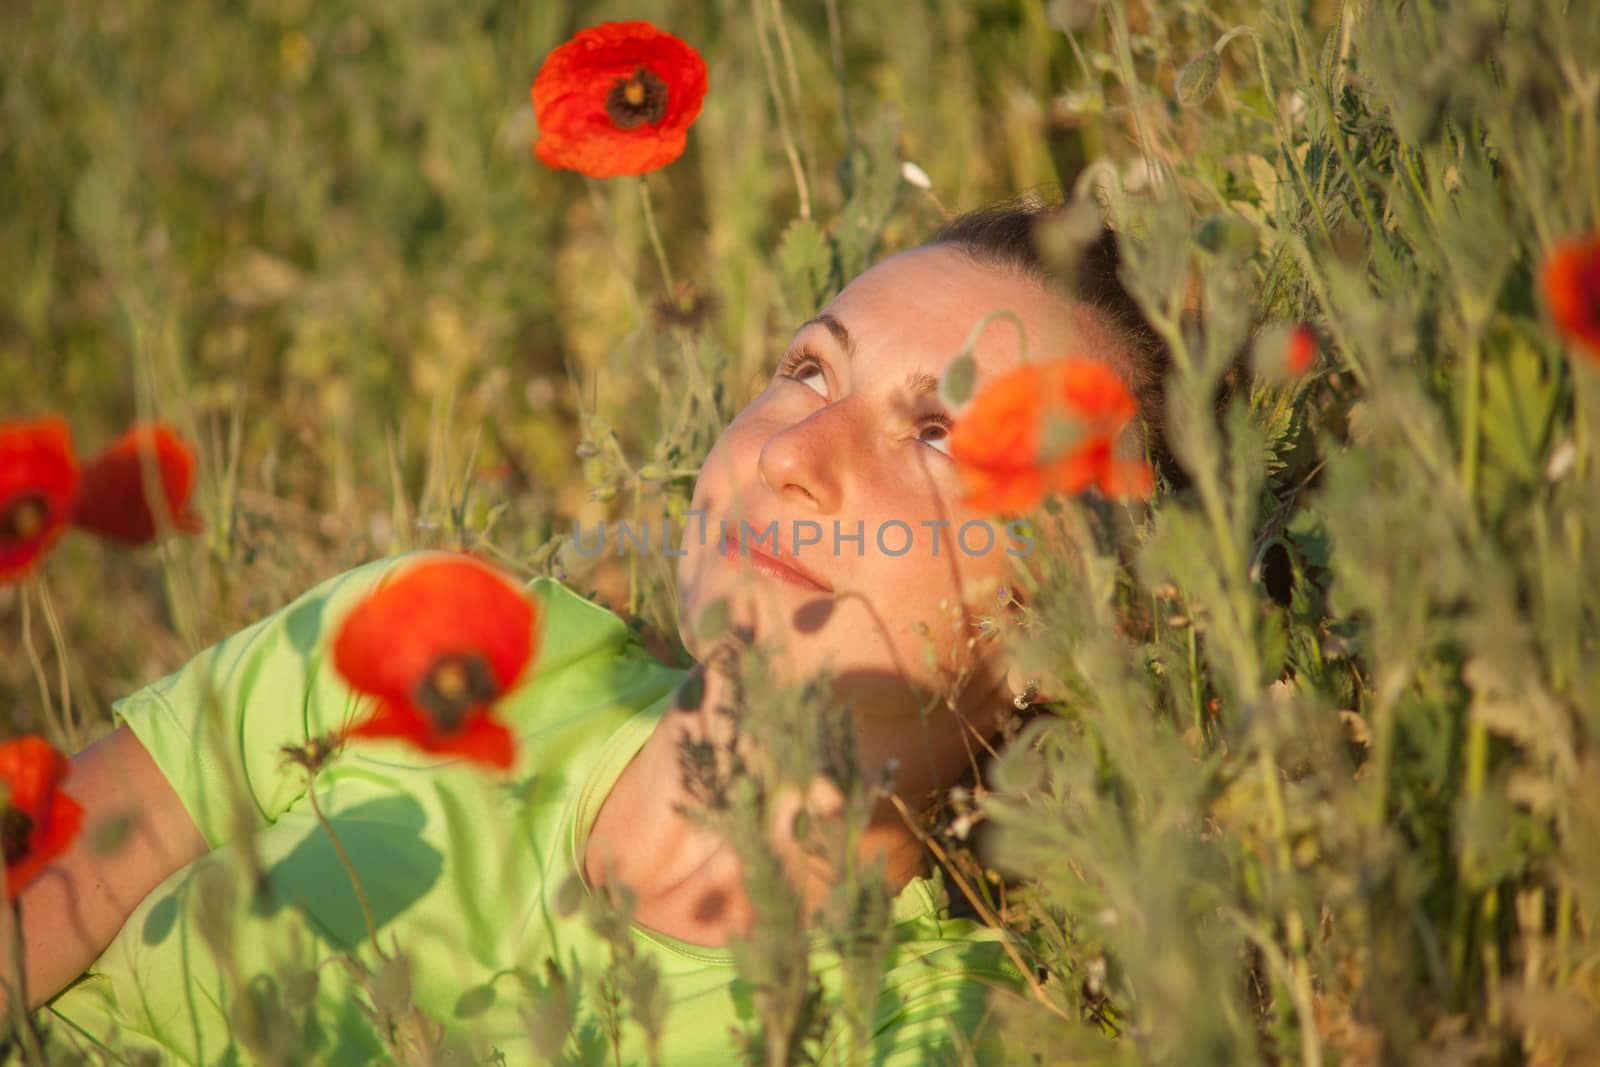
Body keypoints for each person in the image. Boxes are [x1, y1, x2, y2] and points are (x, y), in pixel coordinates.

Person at [3, 199, 1173, 1065]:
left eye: (938, 437)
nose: (788, 455)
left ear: (1069, 636)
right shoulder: (439, 640)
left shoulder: (921, 1030)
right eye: (809, 371)